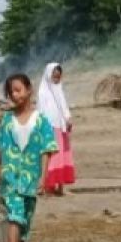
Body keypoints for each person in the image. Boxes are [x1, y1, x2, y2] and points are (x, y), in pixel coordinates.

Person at [0, 73, 58, 242]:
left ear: (29, 90)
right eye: (11, 91)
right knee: (15, 214)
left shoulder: (41, 120)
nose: (14, 94)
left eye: (18, 90)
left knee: (25, 221)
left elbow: (46, 150)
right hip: (10, 176)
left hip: (31, 176)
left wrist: (43, 178)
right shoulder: (7, 120)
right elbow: (2, 149)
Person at [37, 63, 76, 196]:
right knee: (52, 157)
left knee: (63, 157)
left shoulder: (59, 90)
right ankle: (49, 187)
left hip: (62, 127)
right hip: (50, 128)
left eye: (58, 77)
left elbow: (64, 107)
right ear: (49, 75)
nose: (56, 79)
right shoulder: (43, 92)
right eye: (54, 76)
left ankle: (60, 187)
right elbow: (41, 112)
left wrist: (68, 118)